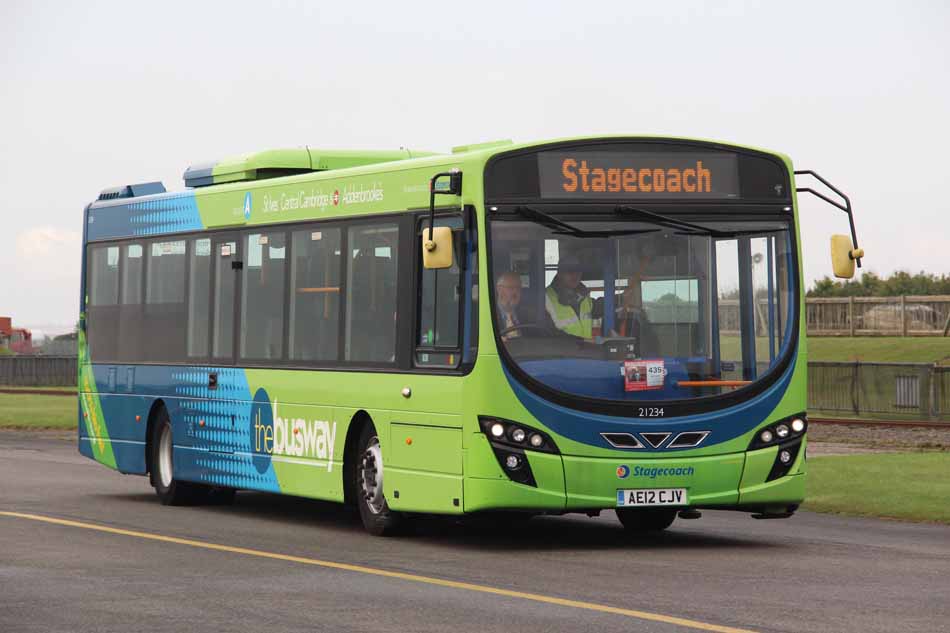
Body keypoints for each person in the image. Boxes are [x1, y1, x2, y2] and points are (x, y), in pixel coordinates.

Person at [545, 254, 595, 338]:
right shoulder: (546, 297)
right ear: (560, 273)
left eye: (578, 271)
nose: (575, 275)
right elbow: (548, 334)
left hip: (586, 349)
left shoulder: (584, 295)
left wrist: (622, 298)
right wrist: (579, 342)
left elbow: (599, 307)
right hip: (561, 350)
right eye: (569, 271)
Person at [495, 271, 524, 340]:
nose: (516, 291)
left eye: (518, 288)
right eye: (511, 287)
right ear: (499, 289)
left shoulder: (528, 314)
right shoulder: (487, 312)